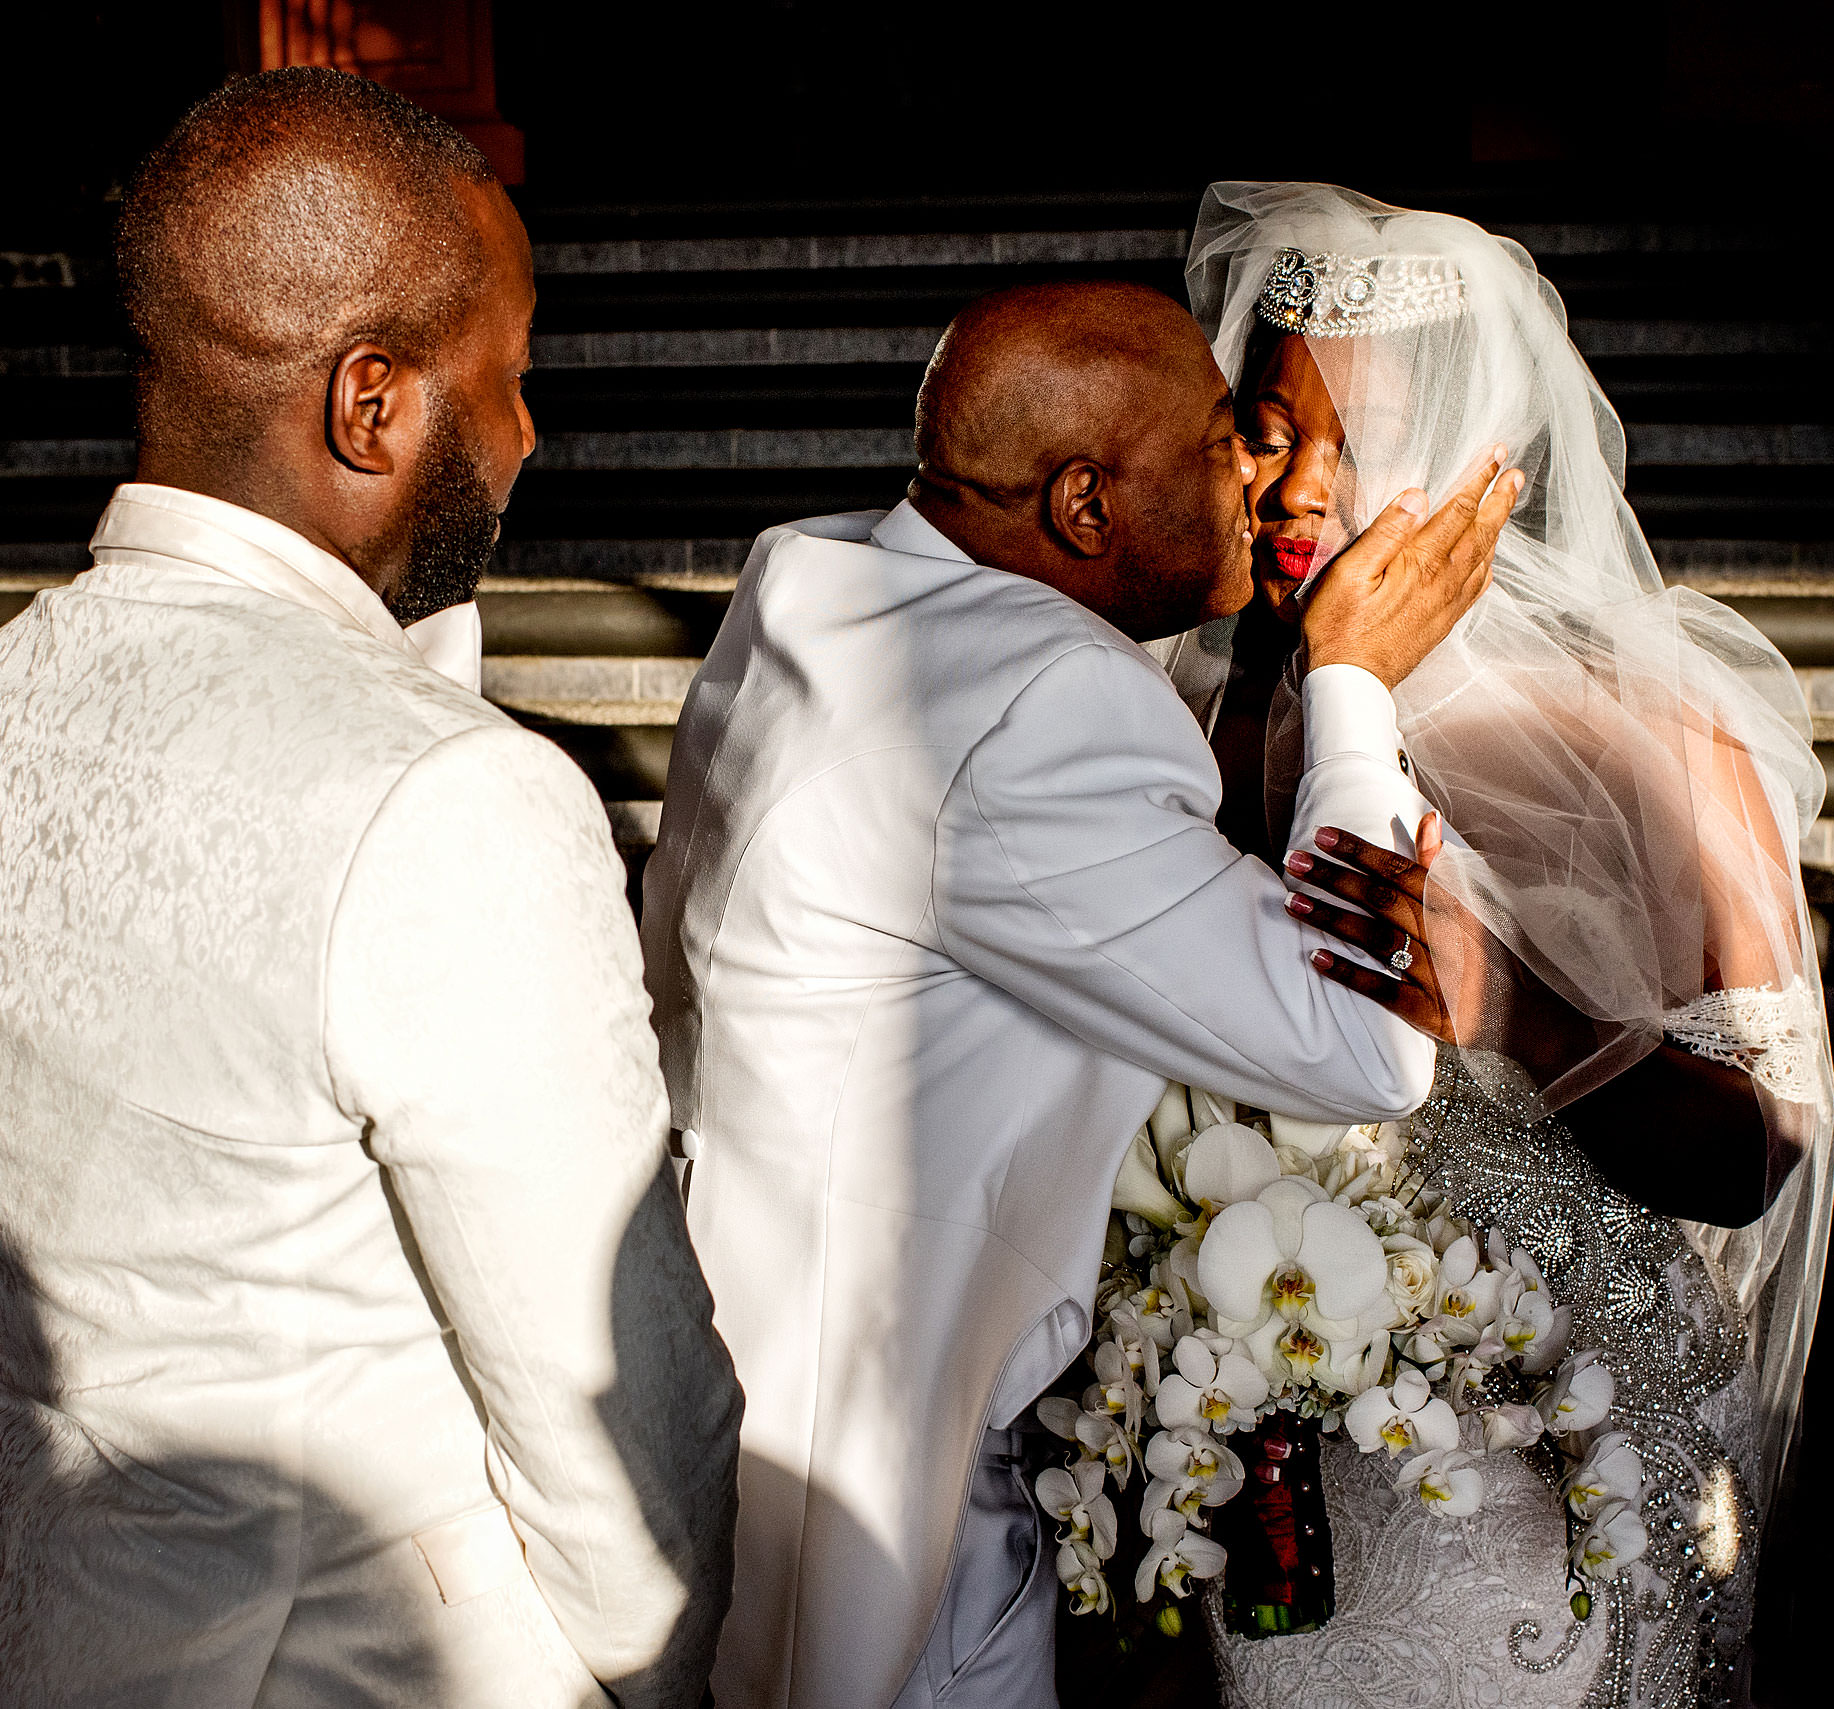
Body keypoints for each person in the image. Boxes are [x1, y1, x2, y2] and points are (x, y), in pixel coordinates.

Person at [0, 69, 739, 1708]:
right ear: (371, 405)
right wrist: (666, 1678)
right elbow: (611, 1403)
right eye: (512, 373)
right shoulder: (448, 797)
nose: (529, 431)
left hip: (30, 1623)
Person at [639, 278, 1523, 1709]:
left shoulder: (814, 578)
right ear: (1085, 507)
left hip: (739, 1368)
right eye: (1222, 445)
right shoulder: (1037, 709)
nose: (1259, 475)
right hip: (879, 1474)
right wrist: (1352, 679)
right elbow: (1363, 1041)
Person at [1182, 182, 1834, 1707]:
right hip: (1286, 1450)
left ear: (1483, 461)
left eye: (1364, 447)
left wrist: (1514, 1010)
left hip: (1565, 1471)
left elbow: (1759, 1155)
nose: (1298, 493)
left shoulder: (1644, 739)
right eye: (1272, 433)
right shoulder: (1200, 726)